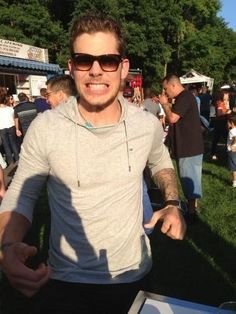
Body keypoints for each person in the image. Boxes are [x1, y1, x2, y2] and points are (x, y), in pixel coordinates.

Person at [0, 12, 186, 314]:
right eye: (85, 60)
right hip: (65, 281)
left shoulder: (145, 124)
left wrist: (173, 202)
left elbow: (160, 160)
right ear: (72, 67)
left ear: (123, 67)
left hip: (134, 274)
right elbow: (22, 192)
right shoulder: (46, 127)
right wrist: (7, 246)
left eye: (108, 60)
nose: (96, 71)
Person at [159, 74, 204, 217]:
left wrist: (164, 104)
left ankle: (191, 212)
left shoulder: (185, 97)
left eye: (166, 89)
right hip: (190, 146)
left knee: (188, 178)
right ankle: (193, 207)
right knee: (191, 178)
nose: (165, 92)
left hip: (188, 147)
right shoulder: (185, 97)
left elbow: (172, 118)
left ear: (173, 85)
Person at [0, 87, 19, 166]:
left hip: (2, 129)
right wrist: (17, 129)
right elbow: (15, 119)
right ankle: (17, 160)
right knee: (13, 144)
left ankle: (10, 162)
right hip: (11, 127)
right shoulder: (11, 109)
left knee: (6, 146)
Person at [210, 91, 231, 160]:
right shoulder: (219, 103)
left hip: (223, 122)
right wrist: (227, 112)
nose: (227, 96)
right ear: (222, 96)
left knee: (221, 138)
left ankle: (214, 153)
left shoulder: (225, 102)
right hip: (220, 122)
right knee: (223, 138)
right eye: (226, 95)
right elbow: (219, 114)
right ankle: (213, 154)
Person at [226, 114, 236, 187]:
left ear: (232, 123)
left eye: (228, 122)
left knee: (233, 168)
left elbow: (235, 138)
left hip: (232, 151)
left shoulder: (231, 131)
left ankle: (234, 181)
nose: (227, 124)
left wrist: (232, 145)